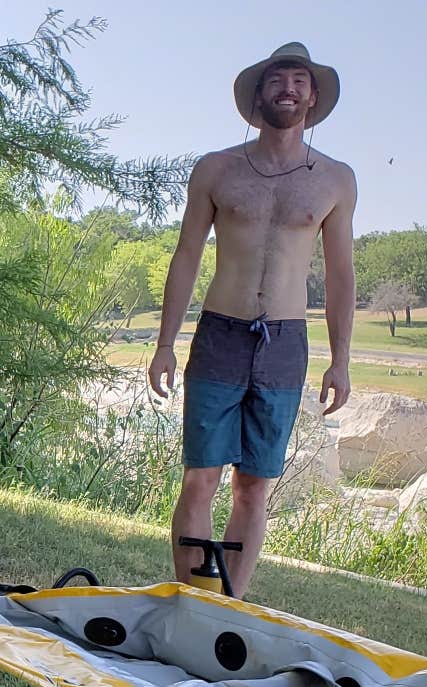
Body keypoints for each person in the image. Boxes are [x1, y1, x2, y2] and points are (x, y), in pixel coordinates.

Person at [148, 42, 357, 600]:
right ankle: (192, 602)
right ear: (258, 95)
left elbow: (340, 274)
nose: (287, 89)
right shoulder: (217, 169)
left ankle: (230, 605)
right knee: (200, 477)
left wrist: (340, 360)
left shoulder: (335, 180)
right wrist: (165, 343)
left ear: (312, 98)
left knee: (254, 486)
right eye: (276, 80)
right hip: (220, 332)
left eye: (298, 81)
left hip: (286, 343)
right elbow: (187, 254)